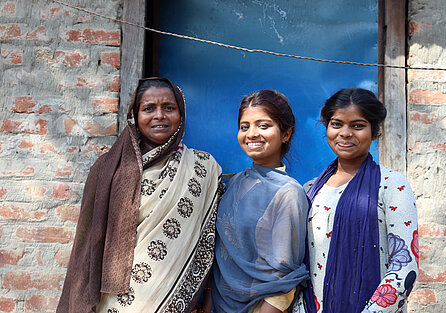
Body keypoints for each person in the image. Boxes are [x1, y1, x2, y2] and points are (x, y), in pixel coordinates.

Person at [57, 77, 223, 313]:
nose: (159, 116)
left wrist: (207, 294)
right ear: (135, 116)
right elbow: (87, 245)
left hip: (176, 298)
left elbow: (210, 239)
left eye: (169, 108)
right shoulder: (107, 171)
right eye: (148, 109)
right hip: (113, 301)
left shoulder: (203, 167)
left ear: (181, 114)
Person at [292, 88, 419, 313]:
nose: (345, 133)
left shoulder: (391, 185)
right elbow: (300, 263)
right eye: (337, 124)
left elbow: (404, 265)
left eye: (357, 125)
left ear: (374, 132)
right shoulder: (310, 189)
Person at [210, 90, 309, 313]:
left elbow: (284, 278)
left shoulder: (288, 192)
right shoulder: (234, 182)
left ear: (286, 134)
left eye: (263, 126)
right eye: (245, 127)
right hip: (219, 305)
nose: (252, 134)